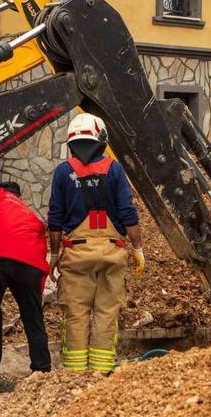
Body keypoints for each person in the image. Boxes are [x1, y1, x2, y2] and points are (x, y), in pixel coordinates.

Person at [48, 113, 144, 372]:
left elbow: (55, 218)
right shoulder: (114, 169)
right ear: (101, 140)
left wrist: (53, 255)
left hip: (76, 252)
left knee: (76, 314)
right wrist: (137, 248)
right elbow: (128, 212)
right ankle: (101, 374)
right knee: (106, 313)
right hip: (112, 251)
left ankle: (75, 375)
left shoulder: (63, 172)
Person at [0, 181, 51, 393]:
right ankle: (42, 371)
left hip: (0, 258)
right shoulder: (32, 216)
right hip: (31, 265)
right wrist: (36, 292)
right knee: (34, 318)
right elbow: (42, 255)